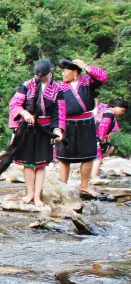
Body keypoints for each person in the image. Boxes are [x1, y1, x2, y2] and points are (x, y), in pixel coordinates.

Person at [7, 60, 64, 207]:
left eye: (43, 76)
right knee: (27, 163)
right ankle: (29, 193)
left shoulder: (58, 89)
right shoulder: (27, 85)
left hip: (45, 130)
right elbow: (14, 104)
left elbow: (60, 112)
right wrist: (24, 113)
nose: (40, 79)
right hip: (27, 127)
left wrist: (58, 129)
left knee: (40, 164)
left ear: (49, 73)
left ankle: (38, 196)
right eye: (38, 76)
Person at [55, 58, 108, 198]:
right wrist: (59, 128)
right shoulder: (60, 87)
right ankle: (63, 187)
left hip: (86, 123)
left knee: (88, 156)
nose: (62, 74)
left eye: (65, 71)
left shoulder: (87, 82)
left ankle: (84, 186)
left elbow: (103, 76)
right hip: (67, 124)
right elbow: (59, 109)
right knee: (64, 157)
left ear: (74, 72)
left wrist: (85, 66)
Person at [93, 97, 129, 177]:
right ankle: (94, 177)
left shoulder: (107, 112)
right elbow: (103, 126)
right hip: (94, 136)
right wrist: (102, 139)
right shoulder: (109, 114)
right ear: (116, 106)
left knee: (110, 148)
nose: (122, 113)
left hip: (94, 135)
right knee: (98, 158)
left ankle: (92, 171)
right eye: (122, 110)